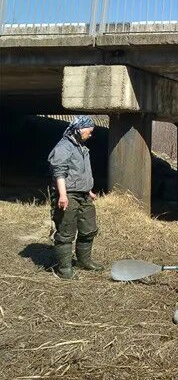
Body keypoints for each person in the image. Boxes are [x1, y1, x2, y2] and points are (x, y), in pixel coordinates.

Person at [47, 115, 103, 279]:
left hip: (83, 195)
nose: (91, 134)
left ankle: (84, 261)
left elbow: (80, 172)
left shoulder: (80, 146)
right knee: (65, 233)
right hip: (68, 195)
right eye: (89, 131)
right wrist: (63, 195)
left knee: (89, 229)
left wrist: (88, 190)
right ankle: (65, 270)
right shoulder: (64, 147)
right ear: (78, 129)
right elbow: (59, 173)